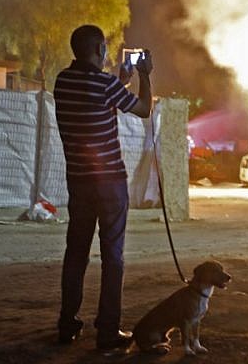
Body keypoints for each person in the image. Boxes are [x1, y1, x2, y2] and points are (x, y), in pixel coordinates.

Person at [53, 24, 152, 354]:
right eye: (105, 48)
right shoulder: (105, 84)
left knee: (76, 252)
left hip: (79, 183)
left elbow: (94, 99)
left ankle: (68, 324)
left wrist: (120, 82)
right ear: (98, 50)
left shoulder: (63, 81)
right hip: (109, 182)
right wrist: (145, 76)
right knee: (113, 256)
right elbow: (143, 110)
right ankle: (107, 331)